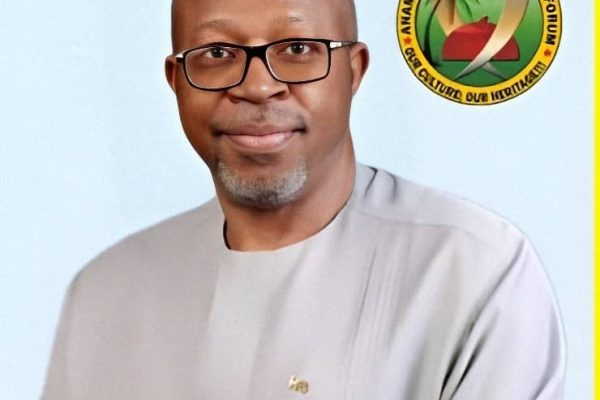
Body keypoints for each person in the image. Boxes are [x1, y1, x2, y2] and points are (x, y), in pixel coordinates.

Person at [42, 0, 565, 398]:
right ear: (177, 82)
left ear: (354, 71)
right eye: (217, 54)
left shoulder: (473, 270)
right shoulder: (105, 293)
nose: (257, 87)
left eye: (296, 49)